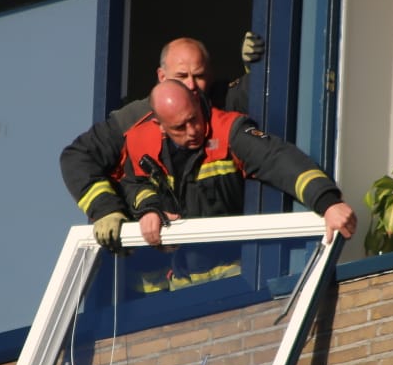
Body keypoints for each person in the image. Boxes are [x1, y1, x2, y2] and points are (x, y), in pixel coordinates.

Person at [60, 34, 264, 251]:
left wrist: (258, 67)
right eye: (181, 76)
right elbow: (78, 158)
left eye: (199, 76)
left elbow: (263, 96)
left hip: (234, 251)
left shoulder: (224, 101)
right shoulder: (132, 119)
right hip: (157, 256)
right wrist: (105, 209)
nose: (191, 85)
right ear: (162, 76)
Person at [121, 79, 356, 250]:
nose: (192, 131)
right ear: (160, 125)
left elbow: (277, 158)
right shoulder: (142, 142)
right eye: (179, 127)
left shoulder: (227, 131)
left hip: (235, 275)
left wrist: (328, 203)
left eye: (193, 118)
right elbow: (133, 184)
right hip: (181, 280)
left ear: (196, 102)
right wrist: (149, 208)